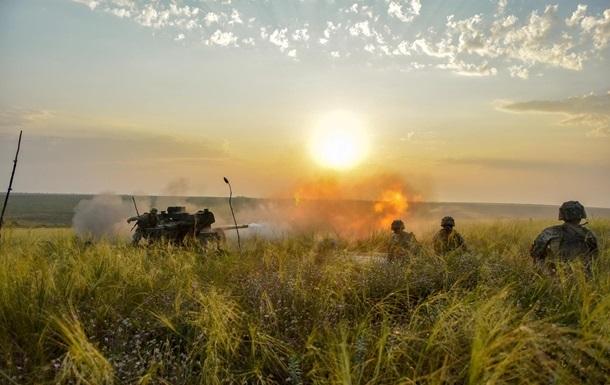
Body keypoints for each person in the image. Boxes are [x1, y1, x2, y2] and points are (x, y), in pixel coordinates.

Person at [530, 201, 598, 275]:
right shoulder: (589, 234)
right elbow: (595, 256)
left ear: (562, 215)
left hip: (555, 274)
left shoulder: (550, 232)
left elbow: (535, 253)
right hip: (582, 275)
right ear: (581, 214)